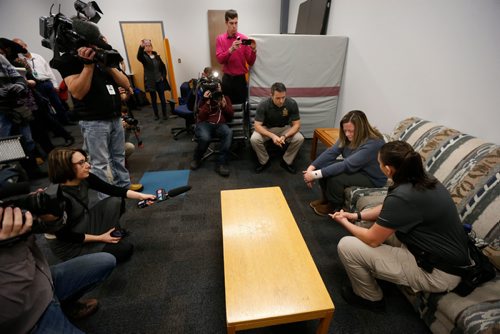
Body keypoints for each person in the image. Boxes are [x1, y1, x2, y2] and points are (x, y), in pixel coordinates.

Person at [330, 141, 470, 311]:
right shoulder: (424, 179)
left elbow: (372, 240)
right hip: (439, 253)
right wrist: (354, 215)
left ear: (388, 169)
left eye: (379, 163)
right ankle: (377, 267)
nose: (378, 165)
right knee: (365, 222)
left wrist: (344, 222)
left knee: (347, 246)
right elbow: (387, 209)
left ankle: (370, 297)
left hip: (439, 273)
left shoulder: (403, 195)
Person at [0, 206, 116, 333]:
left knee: (105, 261)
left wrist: (49, 216)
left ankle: (66, 304)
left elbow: (54, 228)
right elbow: (9, 309)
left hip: (43, 281)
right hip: (26, 319)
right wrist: (12, 248)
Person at [52, 40, 143, 195]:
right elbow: (77, 92)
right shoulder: (69, 60)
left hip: (114, 117)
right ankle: (107, 196)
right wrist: (88, 66)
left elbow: (126, 83)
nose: (101, 46)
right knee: (100, 163)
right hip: (94, 122)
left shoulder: (105, 57)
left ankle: (124, 186)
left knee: (118, 156)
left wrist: (107, 65)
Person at [46, 148, 156, 263]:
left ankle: (103, 240)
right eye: (81, 163)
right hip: (71, 245)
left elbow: (112, 190)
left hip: (81, 224)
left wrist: (141, 196)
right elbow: (64, 236)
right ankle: (94, 247)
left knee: (116, 201)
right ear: (66, 167)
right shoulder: (58, 197)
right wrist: (101, 238)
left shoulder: (84, 178)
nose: (88, 165)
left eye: (85, 160)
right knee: (124, 250)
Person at [303, 110, 387, 216]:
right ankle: (326, 199)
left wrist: (314, 175)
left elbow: (346, 165)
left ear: (361, 129)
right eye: (345, 130)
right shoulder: (347, 136)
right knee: (325, 167)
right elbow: (332, 152)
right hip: (357, 167)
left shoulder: (373, 143)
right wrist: (311, 168)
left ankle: (334, 207)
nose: (347, 134)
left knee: (335, 178)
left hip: (371, 176)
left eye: (351, 131)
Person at [0, 39, 46, 180]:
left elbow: (17, 76)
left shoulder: (1, 58)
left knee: (28, 140)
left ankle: (33, 172)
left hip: (15, 105)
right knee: (6, 145)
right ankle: (12, 177)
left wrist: (20, 85)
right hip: (1, 111)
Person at [13, 38, 73, 125]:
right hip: (36, 86)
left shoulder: (37, 56)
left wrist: (55, 84)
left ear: (25, 45)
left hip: (47, 83)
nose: (20, 48)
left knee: (58, 104)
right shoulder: (19, 61)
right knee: (45, 107)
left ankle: (66, 122)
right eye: (17, 47)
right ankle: (55, 127)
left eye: (21, 46)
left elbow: (49, 71)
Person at [250, 82, 304, 174]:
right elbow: (257, 126)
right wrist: (272, 136)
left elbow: (297, 125)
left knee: (299, 138)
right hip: (267, 128)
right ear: (271, 95)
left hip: (284, 128)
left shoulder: (291, 103)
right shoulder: (263, 105)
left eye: (283, 97)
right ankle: (264, 161)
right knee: (254, 139)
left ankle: (286, 161)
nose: (281, 101)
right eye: (278, 98)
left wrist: (285, 136)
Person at [190, 83, 234, 177]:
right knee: (205, 138)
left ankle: (221, 164)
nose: (217, 90)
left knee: (228, 133)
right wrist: (207, 103)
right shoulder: (204, 99)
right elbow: (201, 117)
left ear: (221, 88)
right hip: (204, 124)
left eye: (218, 87)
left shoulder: (225, 98)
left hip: (220, 125)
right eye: (215, 88)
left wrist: (224, 106)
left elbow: (230, 116)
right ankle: (197, 158)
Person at [216, 9, 257, 104]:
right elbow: (220, 59)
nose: (234, 26)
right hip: (227, 80)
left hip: (240, 80)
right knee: (227, 107)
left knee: (241, 108)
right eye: (231, 23)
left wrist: (254, 51)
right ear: (226, 23)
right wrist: (231, 50)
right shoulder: (220, 39)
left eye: (236, 23)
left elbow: (250, 62)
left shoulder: (244, 39)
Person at [137, 39, 170, 120]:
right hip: (151, 82)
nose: (148, 47)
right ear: (144, 48)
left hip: (159, 80)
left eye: (149, 46)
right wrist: (141, 47)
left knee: (162, 98)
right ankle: (156, 115)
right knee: (154, 99)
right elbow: (138, 56)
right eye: (146, 46)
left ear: (152, 47)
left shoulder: (157, 57)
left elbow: (163, 67)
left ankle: (165, 114)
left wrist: (163, 76)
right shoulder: (143, 57)